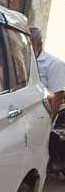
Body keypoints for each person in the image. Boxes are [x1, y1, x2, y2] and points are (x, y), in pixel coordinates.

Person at [31, 27, 65, 176]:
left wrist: (50, 119)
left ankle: (58, 160)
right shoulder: (23, 60)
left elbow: (58, 95)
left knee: (51, 135)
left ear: (39, 43)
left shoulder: (53, 64)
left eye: (32, 43)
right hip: (33, 109)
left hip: (54, 109)